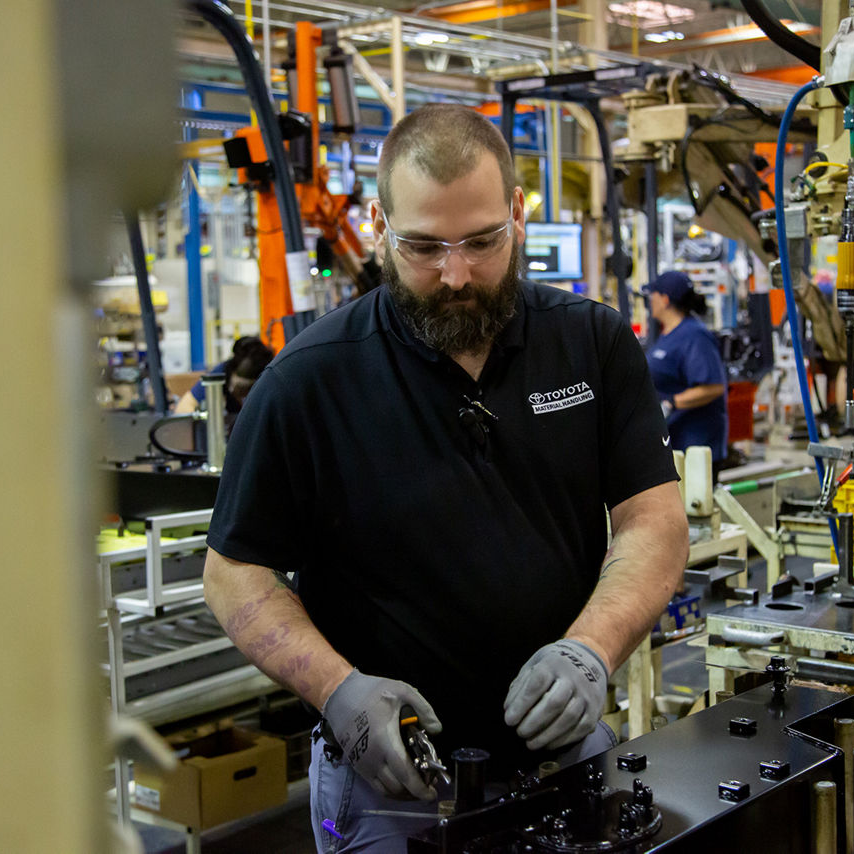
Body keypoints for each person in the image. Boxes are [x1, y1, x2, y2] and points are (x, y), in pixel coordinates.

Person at [201, 104, 688, 853]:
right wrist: (338, 692)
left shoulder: (590, 343)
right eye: (424, 247)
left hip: (563, 761)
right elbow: (235, 571)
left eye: (484, 241)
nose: (457, 274)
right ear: (377, 225)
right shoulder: (306, 383)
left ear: (519, 214)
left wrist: (591, 649)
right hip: (392, 789)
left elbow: (651, 520)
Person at [641, 270, 729, 465]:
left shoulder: (695, 336)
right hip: (675, 443)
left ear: (664, 299)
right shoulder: (668, 334)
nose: (649, 302)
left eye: (652, 296)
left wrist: (670, 403)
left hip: (696, 446)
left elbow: (714, 386)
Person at [173, 335, 273, 415]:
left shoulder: (269, 379)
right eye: (239, 388)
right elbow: (184, 407)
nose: (241, 395)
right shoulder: (221, 372)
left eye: (247, 389)